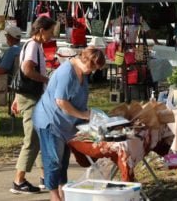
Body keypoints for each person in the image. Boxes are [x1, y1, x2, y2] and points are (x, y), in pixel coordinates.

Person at [33, 46, 107, 200]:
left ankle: (63, 191)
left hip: (66, 124)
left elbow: (78, 98)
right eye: (93, 68)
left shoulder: (83, 73)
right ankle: (54, 196)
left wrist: (89, 116)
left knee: (63, 160)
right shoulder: (67, 72)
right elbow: (61, 101)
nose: (93, 72)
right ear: (87, 61)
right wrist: (83, 115)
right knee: (53, 159)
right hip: (51, 121)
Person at [9, 17, 56, 195]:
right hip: (31, 98)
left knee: (40, 136)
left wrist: (16, 97)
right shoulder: (34, 46)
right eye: (50, 31)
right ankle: (18, 181)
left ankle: (45, 177)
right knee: (32, 139)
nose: (51, 35)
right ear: (41, 30)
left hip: (29, 97)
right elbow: (27, 70)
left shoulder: (30, 45)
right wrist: (47, 80)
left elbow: (20, 72)